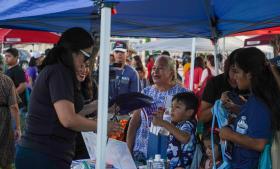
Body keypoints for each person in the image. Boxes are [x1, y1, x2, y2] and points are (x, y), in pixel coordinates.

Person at [15, 27, 119, 169]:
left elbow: (65, 114)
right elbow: (68, 119)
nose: (86, 62)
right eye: (86, 56)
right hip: (43, 154)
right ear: (73, 51)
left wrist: (98, 105)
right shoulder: (59, 72)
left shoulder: (59, 71)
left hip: (46, 154)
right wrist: (102, 126)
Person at [219, 47, 280, 169]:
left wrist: (230, 135)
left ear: (250, 74)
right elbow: (254, 118)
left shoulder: (259, 103)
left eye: (237, 71)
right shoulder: (257, 99)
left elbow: (260, 143)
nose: (234, 77)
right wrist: (237, 110)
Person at [127, 55, 188, 162]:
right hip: (141, 153)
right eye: (154, 68)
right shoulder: (146, 92)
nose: (155, 71)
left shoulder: (183, 94)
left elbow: (188, 125)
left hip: (168, 156)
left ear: (171, 72)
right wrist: (128, 151)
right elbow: (134, 123)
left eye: (160, 68)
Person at [198, 49, 248, 123]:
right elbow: (201, 117)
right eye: (234, 71)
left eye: (240, 72)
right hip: (216, 131)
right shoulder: (215, 83)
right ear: (227, 67)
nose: (236, 76)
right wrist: (219, 105)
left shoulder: (252, 86)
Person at [152, 92, 198, 169]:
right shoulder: (178, 125)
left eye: (177, 107)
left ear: (189, 112)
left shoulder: (188, 124)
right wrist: (163, 118)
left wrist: (163, 122)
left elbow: (184, 137)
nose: (172, 109)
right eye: (172, 106)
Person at [0, 72, 21, 169]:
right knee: (6, 153)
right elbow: (14, 106)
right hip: (4, 118)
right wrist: (18, 128)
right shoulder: (6, 80)